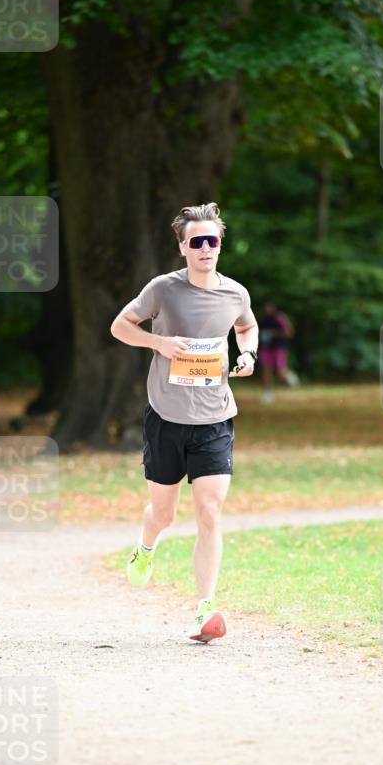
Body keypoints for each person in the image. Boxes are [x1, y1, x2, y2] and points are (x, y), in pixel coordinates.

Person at [110, 202, 258, 643]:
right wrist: (160, 343)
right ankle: (145, 547)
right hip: (167, 416)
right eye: (197, 241)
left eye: (213, 240)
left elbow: (246, 328)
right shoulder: (163, 289)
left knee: (210, 511)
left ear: (220, 245)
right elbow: (120, 326)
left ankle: (205, 608)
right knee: (164, 513)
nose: (206, 248)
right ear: (183, 247)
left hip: (215, 417)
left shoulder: (236, 293)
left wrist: (246, 353)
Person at [258, 301, 298, 404]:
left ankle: (291, 378)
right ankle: (267, 393)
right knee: (266, 370)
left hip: (279, 347)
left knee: (280, 371)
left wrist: (273, 333)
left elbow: (289, 332)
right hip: (266, 348)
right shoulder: (263, 319)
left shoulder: (279, 317)